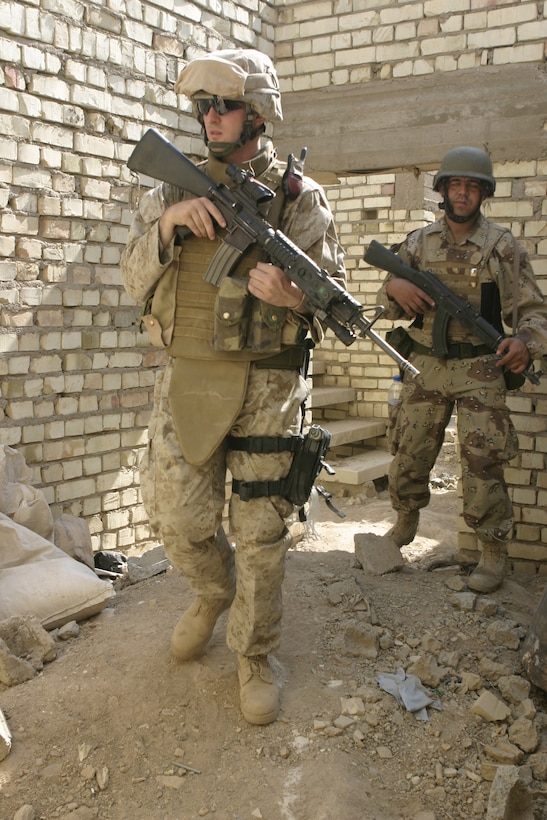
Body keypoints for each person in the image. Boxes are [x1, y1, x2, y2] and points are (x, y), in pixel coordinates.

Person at [120, 49, 346, 725]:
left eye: (224, 106)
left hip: (268, 387)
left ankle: (253, 654)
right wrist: (168, 227)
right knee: (179, 519)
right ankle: (210, 592)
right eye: (203, 107)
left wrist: (291, 298)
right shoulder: (166, 191)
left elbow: (331, 296)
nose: (211, 119)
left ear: (258, 113)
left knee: (260, 530)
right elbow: (132, 281)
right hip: (187, 375)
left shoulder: (301, 198)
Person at [376, 145, 547, 594]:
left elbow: (533, 312)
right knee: (409, 451)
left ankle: (491, 550)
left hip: (480, 367)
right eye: (455, 184)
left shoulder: (501, 247)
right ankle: (404, 524)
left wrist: (525, 343)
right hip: (425, 365)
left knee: (483, 461)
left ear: (483, 193)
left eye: (472, 186)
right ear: (443, 190)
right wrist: (394, 285)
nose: (463, 193)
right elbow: (385, 301)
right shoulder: (418, 242)